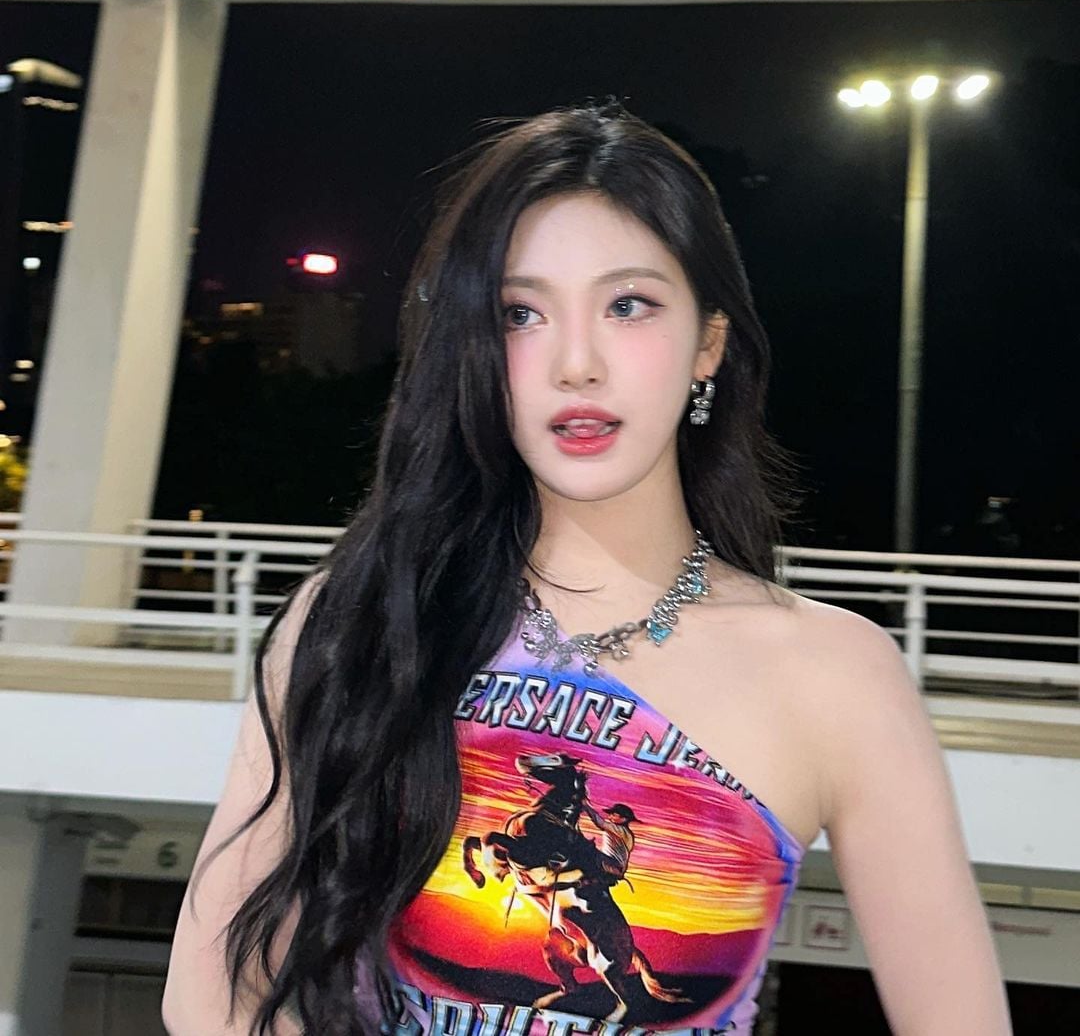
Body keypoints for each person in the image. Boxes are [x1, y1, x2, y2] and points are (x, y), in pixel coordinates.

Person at [163, 101, 1012, 1036]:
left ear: (710, 342)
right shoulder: (362, 621)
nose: (576, 363)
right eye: (521, 313)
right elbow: (213, 989)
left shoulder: (835, 675)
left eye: (628, 305)